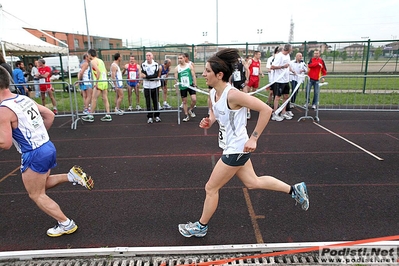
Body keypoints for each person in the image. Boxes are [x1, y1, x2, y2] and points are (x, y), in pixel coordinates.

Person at [177, 48, 309, 238]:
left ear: (219, 74)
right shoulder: (213, 93)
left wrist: (253, 138)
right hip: (230, 146)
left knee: (211, 187)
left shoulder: (234, 95)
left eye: (207, 71)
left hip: (237, 148)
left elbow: (265, 110)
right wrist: (209, 120)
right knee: (253, 182)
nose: (203, 74)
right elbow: (215, 113)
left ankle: (201, 226)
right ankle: (295, 190)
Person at [0, 65, 94, 237]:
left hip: (33, 152)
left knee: (36, 194)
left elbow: (5, 143)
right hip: (47, 146)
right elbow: (50, 115)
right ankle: (71, 176)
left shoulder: (4, 110)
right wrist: (39, 136)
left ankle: (66, 223)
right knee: (41, 183)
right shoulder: (23, 99)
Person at [82, 48, 112, 122]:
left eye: (87, 55)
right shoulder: (100, 60)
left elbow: (98, 71)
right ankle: (108, 115)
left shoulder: (93, 61)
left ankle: (91, 116)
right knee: (105, 98)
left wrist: (96, 82)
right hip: (104, 81)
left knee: (94, 98)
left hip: (100, 81)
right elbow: (104, 70)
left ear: (89, 55)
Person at [270, 44, 294, 121]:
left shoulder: (288, 56)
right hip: (279, 80)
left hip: (286, 80)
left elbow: (288, 65)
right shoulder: (279, 56)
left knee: (286, 96)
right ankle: (275, 113)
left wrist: (293, 71)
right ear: (289, 50)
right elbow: (272, 67)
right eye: (291, 49)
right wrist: (283, 66)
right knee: (277, 97)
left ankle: (283, 112)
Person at [174, 53, 197, 122]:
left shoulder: (189, 66)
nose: (179, 60)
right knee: (184, 101)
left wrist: (195, 84)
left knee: (194, 99)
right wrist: (177, 89)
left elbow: (193, 76)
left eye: (181, 58)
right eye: (178, 58)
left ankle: (190, 110)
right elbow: (176, 80)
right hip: (182, 86)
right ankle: (186, 115)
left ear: (184, 58)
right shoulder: (177, 68)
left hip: (190, 85)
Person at [141, 52, 161, 124]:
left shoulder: (156, 64)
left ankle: (157, 116)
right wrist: (147, 77)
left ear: (152, 56)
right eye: (146, 55)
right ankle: (149, 116)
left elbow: (155, 75)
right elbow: (143, 74)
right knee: (148, 101)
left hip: (155, 86)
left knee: (156, 101)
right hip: (147, 86)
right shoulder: (143, 64)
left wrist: (147, 77)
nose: (148, 57)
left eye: (149, 55)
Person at [243, 51, 264, 119]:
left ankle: (251, 107)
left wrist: (261, 73)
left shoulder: (259, 61)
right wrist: (247, 78)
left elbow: (259, 69)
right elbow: (247, 69)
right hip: (251, 78)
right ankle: (247, 111)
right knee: (247, 94)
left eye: (260, 54)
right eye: (258, 54)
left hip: (256, 78)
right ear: (255, 55)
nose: (260, 55)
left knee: (253, 94)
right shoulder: (250, 61)